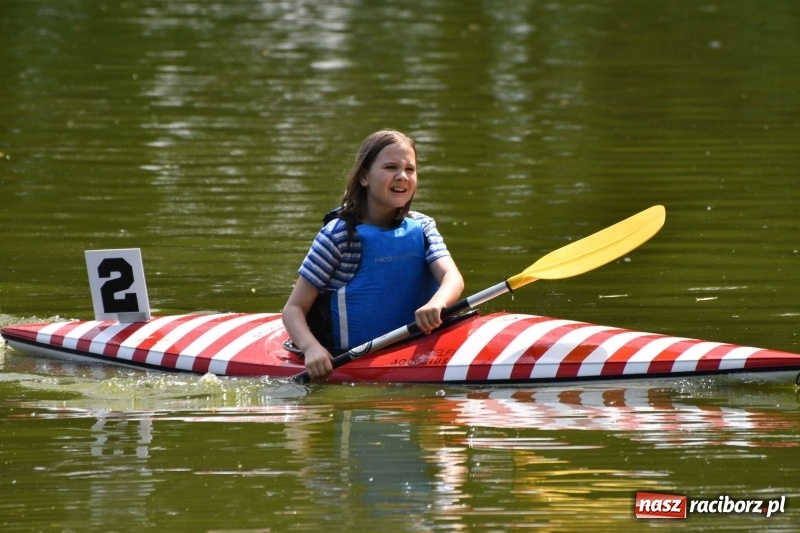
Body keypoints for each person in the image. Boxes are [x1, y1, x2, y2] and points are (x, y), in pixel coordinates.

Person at [282, 129, 465, 380]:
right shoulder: (339, 236)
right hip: (352, 358)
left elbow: (452, 279)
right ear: (364, 177)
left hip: (421, 350)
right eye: (390, 167)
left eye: (410, 169)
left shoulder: (423, 227)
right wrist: (312, 349)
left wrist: (437, 303)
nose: (402, 176)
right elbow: (293, 309)